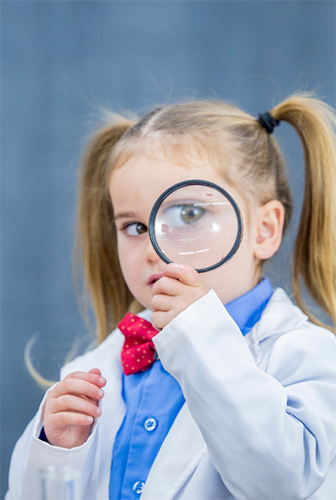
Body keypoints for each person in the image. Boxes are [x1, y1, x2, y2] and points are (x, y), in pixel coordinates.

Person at [6, 94, 336, 500]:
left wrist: (200, 339)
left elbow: (282, 483)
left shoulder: (309, 356)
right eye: (134, 227)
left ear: (264, 230)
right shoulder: (98, 366)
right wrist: (58, 449)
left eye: (188, 214)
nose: (152, 248)